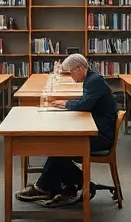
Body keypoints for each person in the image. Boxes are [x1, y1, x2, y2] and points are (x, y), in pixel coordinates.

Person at [15, 54, 118, 208]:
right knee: (59, 146)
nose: (70, 76)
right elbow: (86, 102)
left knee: (60, 148)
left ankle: (52, 187)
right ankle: (63, 186)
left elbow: (85, 105)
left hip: (101, 136)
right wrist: (68, 104)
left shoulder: (94, 81)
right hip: (95, 128)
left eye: (71, 72)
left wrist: (66, 104)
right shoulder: (91, 79)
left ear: (80, 68)